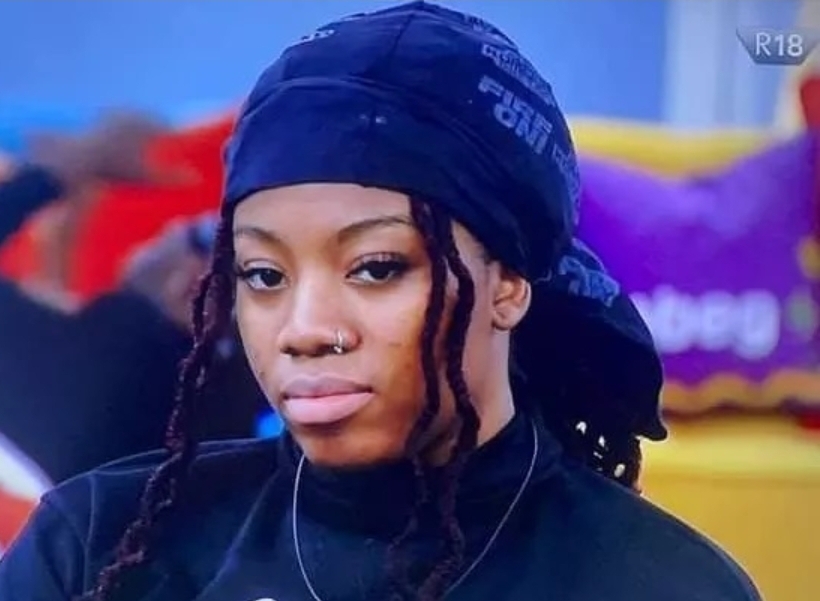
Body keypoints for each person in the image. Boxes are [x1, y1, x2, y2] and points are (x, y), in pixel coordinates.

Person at [0, 3, 761, 600]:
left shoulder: (665, 585)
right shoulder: (96, 548)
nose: (304, 330)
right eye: (263, 275)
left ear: (508, 282)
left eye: (375, 267)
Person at [0, 116, 265, 482]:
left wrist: (63, 172)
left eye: (197, 236)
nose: (173, 228)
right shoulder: (215, 418)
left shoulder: (105, 353)